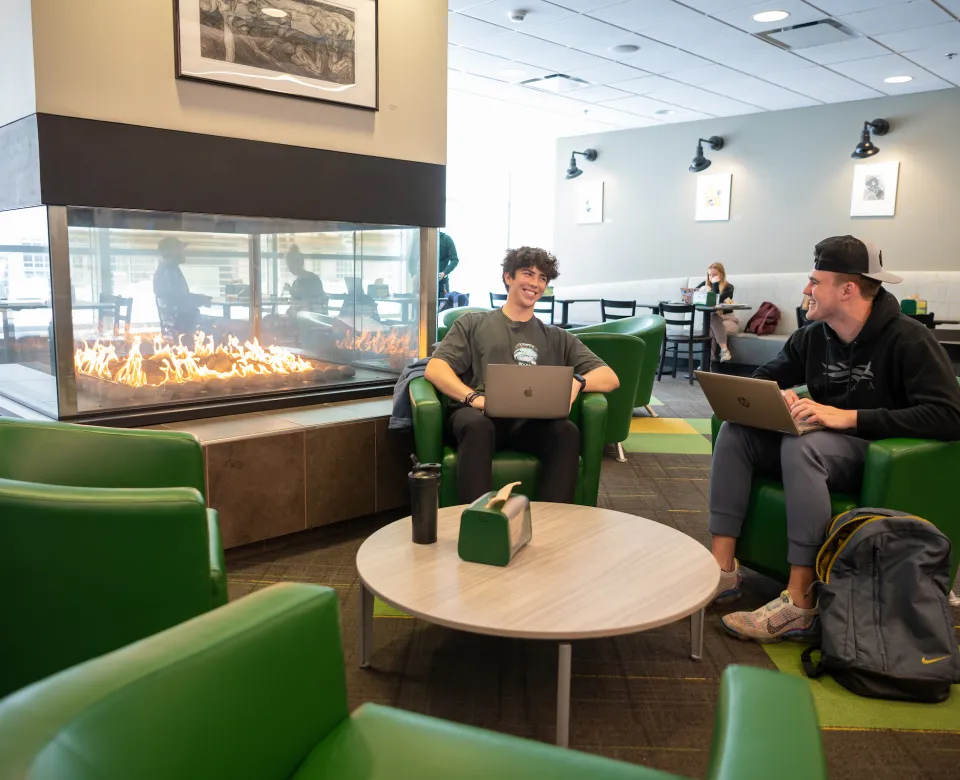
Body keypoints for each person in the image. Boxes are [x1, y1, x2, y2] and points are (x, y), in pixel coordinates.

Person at [709, 236, 960, 644]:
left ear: (847, 290)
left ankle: (801, 602)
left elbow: (950, 416)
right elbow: (763, 378)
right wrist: (776, 395)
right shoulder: (813, 336)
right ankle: (721, 572)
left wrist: (850, 418)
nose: (806, 289)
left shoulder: (909, 339)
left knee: (803, 445)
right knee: (737, 431)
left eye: (815, 281)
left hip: (881, 455)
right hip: (824, 446)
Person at [426, 246, 619, 505]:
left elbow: (609, 377)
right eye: (528, 274)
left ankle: (554, 519)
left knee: (566, 432)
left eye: (542, 278)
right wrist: (473, 398)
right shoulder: (472, 323)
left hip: (529, 424)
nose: (535, 284)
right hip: (478, 416)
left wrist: (578, 382)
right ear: (508, 277)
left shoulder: (557, 337)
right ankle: (478, 519)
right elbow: (435, 368)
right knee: (476, 426)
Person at [152, 237, 213, 338]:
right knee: (228, 325)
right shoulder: (169, 271)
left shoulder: (167, 269)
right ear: (173, 252)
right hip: (184, 323)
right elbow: (178, 299)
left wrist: (200, 298)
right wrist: (201, 299)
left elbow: (178, 296)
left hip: (179, 321)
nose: (183, 253)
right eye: (181, 250)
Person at [696, 262, 737, 362]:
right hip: (711, 321)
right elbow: (693, 295)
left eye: (715, 275)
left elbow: (715, 301)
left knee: (710, 326)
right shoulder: (705, 285)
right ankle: (724, 351)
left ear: (721, 274)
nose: (711, 277)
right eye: (710, 275)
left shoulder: (729, 287)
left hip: (729, 321)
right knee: (710, 328)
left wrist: (715, 284)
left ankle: (706, 365)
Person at [283, 244, 327, 317]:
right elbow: (295, 305)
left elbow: (312, 304)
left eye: (291, 266)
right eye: (288, 267)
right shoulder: (296, 283)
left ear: (300, 263)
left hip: (312, 317)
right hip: (300, 316)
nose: (290, 270)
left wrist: (294, 294)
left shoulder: (313, 280)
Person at [438, 231, 459, 298]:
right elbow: (413, 258)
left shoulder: (446, 239)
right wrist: (414, 274)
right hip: (422, 282)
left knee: (443, 303)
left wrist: (444, 272)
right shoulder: (421, 237)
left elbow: (455, 260)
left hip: (441, 282)